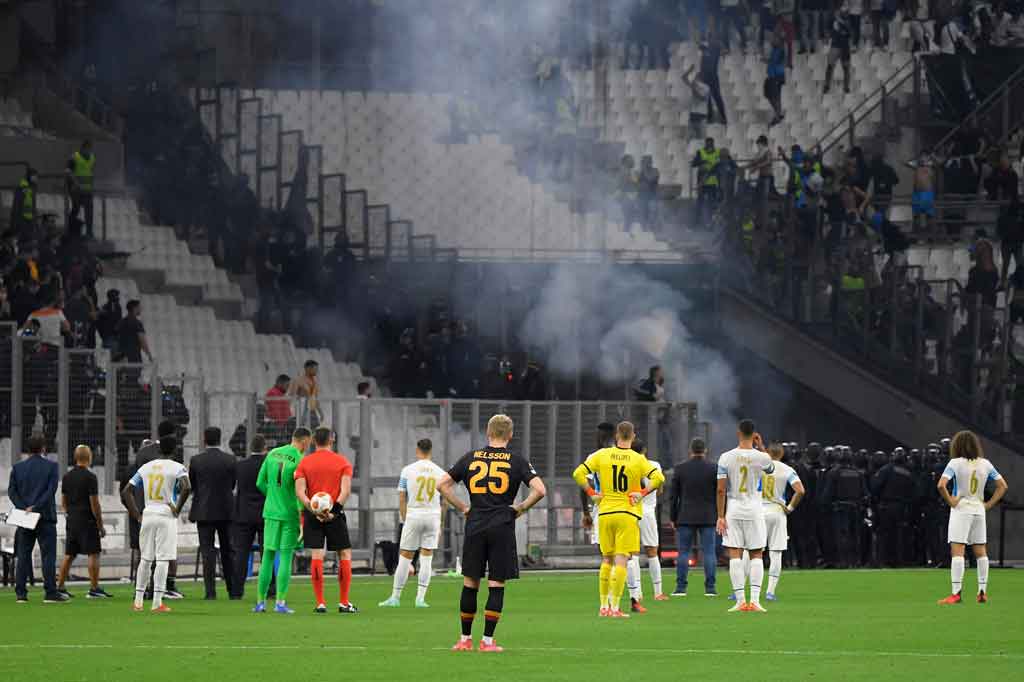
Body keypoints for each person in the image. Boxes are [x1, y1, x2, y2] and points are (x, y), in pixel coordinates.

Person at [438, 414, 547, 652]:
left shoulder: (471, 457)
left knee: (470, 583)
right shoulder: (516, 460)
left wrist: (463, 507)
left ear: (488, 433)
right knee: (496, 583)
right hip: (501, 525)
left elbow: (442, 484)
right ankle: (487, 642)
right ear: (510, 435)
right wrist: (520, 508)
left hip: (475, 523)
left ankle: (465, 639)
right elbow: (540, 490)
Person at [572, 421, 665, 619]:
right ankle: (615, 607)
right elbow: (659, 479)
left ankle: (603, 606)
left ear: (616, 436)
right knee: (622, 559)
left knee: (606, 559)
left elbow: (578, 473)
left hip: (604, 512)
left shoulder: (601, 455)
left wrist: (592, 493)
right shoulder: (637, 459)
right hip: (626, 513)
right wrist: (641, 492)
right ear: (632, 436)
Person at [936, 431, 1008, 604]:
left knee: (958, 551)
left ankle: (956, 593)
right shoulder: (985, 464)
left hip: (961, 510)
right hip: (978, 510)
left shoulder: (955, 463)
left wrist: (952, 501)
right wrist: (988, 505)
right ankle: (982, 591)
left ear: (957, 445)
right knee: (981, 551)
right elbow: (1002, 486)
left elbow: (941, 485)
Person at [122, 437, 191, 612]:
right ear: (174, 450)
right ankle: (157, 602)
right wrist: (177, 508)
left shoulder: (146, 467)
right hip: (166, 514)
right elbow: (187, 487)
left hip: (148, 512)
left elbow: (126, 491)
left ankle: (138, 601)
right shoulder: (177, 467)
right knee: (163, 558)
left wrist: (137, 514)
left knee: (145, 558)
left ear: (158, 449)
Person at [294, 426, 357, 614]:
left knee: (316, 555)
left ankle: (320, 603)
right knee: (344, 554)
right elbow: (345, 491)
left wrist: (313, 509)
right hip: (335, 515)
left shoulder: (304, 463)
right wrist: (333, 512)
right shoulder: (343, 462)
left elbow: (300, 492)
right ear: (332, 440)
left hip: (313, 516)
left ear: (313, 441)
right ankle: (344, 603)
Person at [379, 438, 447, 608]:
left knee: (405, 558)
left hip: (414, 516)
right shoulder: (440, 472)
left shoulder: (408, 471)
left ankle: (395, 597)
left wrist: (404, 519)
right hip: (432, 517)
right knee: (426, 558)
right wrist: (441, 524)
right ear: (430, 451)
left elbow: (402, 497)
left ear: (417, 450)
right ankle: (420, 599)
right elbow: (444, 501)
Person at [716, 419, 775, 612]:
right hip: (755, 509)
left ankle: (740, 600)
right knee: (756, 554)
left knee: (735, 554)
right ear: (754, 434)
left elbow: (720, 490)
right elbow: (771, 468)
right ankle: (756, 601)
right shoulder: (762, 457)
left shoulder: (726, 457)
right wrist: (761, 445)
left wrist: (720, 516)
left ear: (738, 433)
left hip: (733, 509)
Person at [253, 427, 311, 614]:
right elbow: (299, 491)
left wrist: (272, 497)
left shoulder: (272, 453)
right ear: (304, 441)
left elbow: (259, 483)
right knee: (285, 557)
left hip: (270, 513)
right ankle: (280, 603)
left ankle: (260, 603)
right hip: (289, 514)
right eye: (308, 443)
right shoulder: (300, 460)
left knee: (267, 557)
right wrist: (301, 515)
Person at [9, 435, 65, 603]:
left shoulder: (18, 468)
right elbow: (50, 491)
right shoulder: (51, 467)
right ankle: (50, 592)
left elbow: (12, 491)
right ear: (43, 448)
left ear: (27, 449)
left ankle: (21, 593)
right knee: (48, 555)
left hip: (25, 517)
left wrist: (24, 507)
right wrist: (36, 507)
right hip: (45, 516)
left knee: (23, 554)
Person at [189, 426, 238, 600]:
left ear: (204, 439)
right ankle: (233, 591)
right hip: (226, 510)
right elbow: (232, 484)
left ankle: (210, 592)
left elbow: (193, 486)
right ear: (220, 439)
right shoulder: (230, 460)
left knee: (207, 552)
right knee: (228, 550)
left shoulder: (196, 460)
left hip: (204, 511)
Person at [666, 437, 719, 597]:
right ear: (705, 450)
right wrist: (720, 514)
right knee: (709, 552)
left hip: (685, 515)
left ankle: (681, 588)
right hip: (708, 516)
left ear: (690, 450)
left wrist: (673, 517)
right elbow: (720, 493)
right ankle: (710, 588)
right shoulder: (714, 468)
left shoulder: (680, 468)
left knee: (683, 552)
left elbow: (673, 496)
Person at [56, 445, 110, 599]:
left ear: (75, 457)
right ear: (89, 457)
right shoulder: (90, 477)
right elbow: (95, 504)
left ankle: (60, 586)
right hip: (87, 520)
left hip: (72, 520)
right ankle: (94, 588)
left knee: (69, 554)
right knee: (93, 553)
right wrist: (100, 525)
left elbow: (63, 501)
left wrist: (70, 514)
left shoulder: (67, 477)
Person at [625, 439, 666, 611]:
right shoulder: (654, 465)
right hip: (648, 511)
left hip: (631, 510)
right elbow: (660, 488)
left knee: (632, 554)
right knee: (652, 551)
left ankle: (637, 592)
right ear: (645, 450)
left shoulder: (626, 465)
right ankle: (658, 592)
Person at [760, 442, 804, 601]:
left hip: (758, 511)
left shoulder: (758, 467)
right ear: (782, 453)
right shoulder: (787, 469)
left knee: (751, 551)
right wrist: (790, 508)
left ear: (768, 453)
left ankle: (740, 590)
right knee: (776, 553)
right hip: (777, 512)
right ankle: (770, 592)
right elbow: (800, 491)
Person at [232, 435, 269, 600]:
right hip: (265, 513)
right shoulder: (269, 465)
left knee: (241, 553)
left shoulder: (240, 466)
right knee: (266, 551)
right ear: (265, 448)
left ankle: (236, 590)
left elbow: (234, 488)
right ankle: (271, 588)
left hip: (243, 514)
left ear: (250, 447)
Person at [871, 447, 917, 567]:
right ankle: (899, 561)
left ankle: (885, 561)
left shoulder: (886, 469)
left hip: (887, 506)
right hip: (902, 507)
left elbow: (876, 487)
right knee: (900, 535)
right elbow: (913, 492)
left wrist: (876, 503)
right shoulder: (909, 473)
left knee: (885, 535)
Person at [66, 139, 96, 239]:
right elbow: (68, 171)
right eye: (87, 149)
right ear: (82, 148)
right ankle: (70, 230)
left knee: (89, 211)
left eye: (90, 149)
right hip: (76, 190)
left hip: (87, 190)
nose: (88, 151)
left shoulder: (92, 158)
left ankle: (89, 232)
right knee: (76, 208)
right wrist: (75, 183)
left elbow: (91, 172)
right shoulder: (74, 157)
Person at [825, 7, 853, 95]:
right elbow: (829, 30)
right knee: (829, 67)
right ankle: (827, 85)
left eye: (846, 12)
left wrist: (840, 23)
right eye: (844, 12)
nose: (845, 13)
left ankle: (846, 87)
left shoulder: (849, 22)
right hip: (835, 46)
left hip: (845, 48)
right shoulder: (834, 20)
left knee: (846, 68)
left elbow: (849, 33)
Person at [289, 359, 321, 428]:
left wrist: (320, 412)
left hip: (312, 411)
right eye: (315, 369)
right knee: (303, 432)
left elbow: (315, 399)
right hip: (302, 410)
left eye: (317, 369)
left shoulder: (315, 382)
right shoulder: (298, 380)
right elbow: (291, 396)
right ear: (307, 368)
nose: (316, 371)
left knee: (314, 431)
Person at [682, 64, 710, 140]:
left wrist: (693, 88)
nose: (695, 77)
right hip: (692, 115)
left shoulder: (706, 87)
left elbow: (701, 97)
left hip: (701, 116)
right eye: (695, 76)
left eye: (697, 76)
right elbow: (684, 78)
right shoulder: (694, 85)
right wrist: (690, 70)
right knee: (688, 139)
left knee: (702, 139)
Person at [765, 33, 786, 125]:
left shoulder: (781, 50)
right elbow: (773, 61)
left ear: (779, 41)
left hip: (776, 76)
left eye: (775, 39)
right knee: (772, 96)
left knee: (774, 97)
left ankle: (778, 116)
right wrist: (766, 60)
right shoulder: (775, 50)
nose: (773, 41)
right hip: (773, 76)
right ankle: (778, 114)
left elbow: (780, 61)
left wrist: (771, 61)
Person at [10, 166, 36, 239]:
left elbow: (32, 207)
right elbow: (17, 206)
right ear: (29, 176)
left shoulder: (31, 188)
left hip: (28, 221)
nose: (36, 178)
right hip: (22, 221)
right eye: (34, 176)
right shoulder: (22, 188)